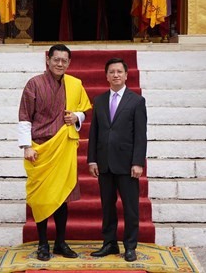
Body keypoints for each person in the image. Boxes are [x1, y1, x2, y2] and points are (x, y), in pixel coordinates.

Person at [18, 44, 91, 261]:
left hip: (64, 148)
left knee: (63, 197)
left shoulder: (74, 84)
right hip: (40, 148)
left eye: (64, 60)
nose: (60, 64)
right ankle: (42, 244)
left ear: (69, 63)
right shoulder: (34, 84)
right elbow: (24, 116)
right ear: (48, 60)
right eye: (56, 59)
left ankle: (60, 243)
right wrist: (26, 146)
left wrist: (77, 117)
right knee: (41, 199)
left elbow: (84, 110)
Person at [87, 57, 147, 262]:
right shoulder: (100, 100)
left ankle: (130, 246)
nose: (115, 75)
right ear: (106, 76)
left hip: (127, 164)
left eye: (119, 72)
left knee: (130, 208)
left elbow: (140, 134)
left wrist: (138, 162)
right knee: (107, 207)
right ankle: (109, 243)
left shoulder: (137, 101)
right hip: (104, 163)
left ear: (126, 74)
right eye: (111, 72)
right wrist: (92, 160)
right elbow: (94, 132)